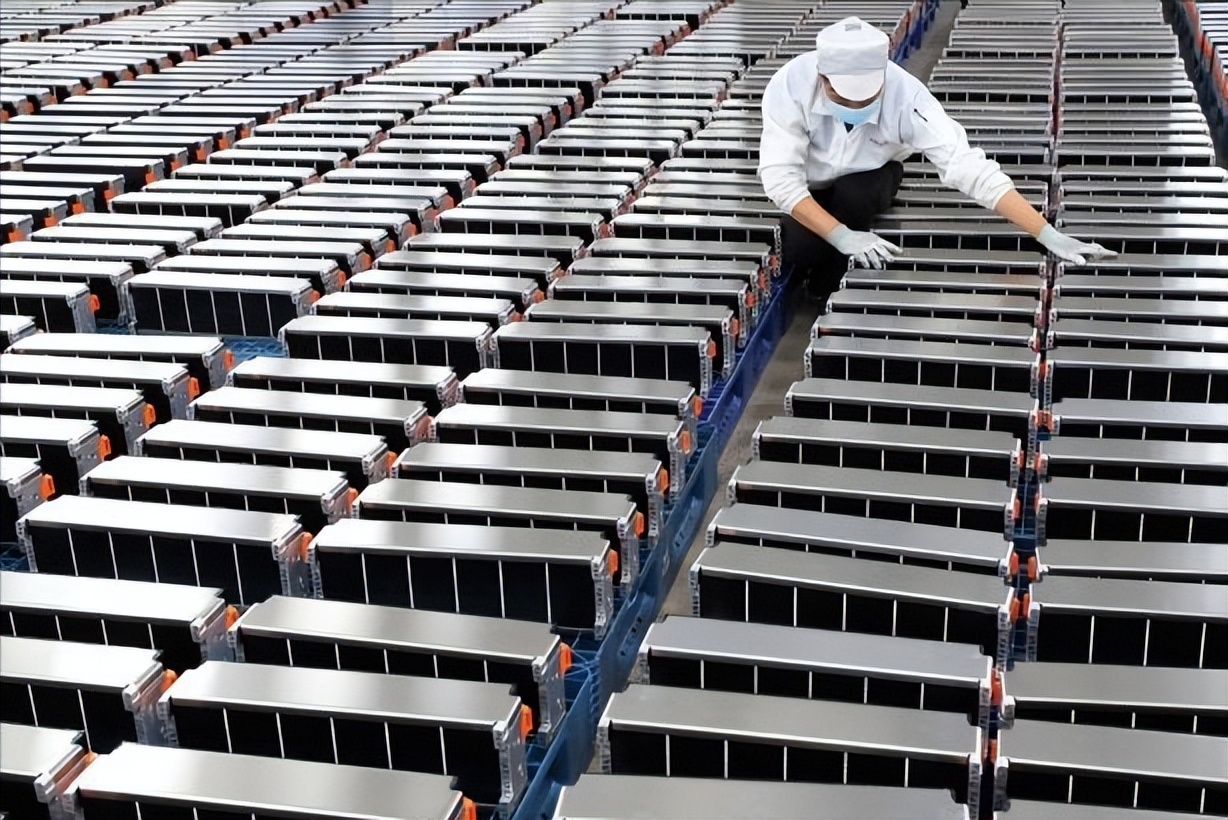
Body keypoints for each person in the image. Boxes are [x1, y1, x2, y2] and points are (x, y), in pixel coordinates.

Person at [759, 16, 1115, 302]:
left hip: (873, 173)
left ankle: (835, 282)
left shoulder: (909, 98)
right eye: (844, 98)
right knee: (801, 248)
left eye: (866, 99)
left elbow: (967, 165)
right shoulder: (789, 86)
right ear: (823, 77)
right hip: (811, 180)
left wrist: (1046, 233)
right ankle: (826, 259)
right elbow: (780, 180)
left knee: (855, 197)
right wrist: (839, 235)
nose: (856, 108)